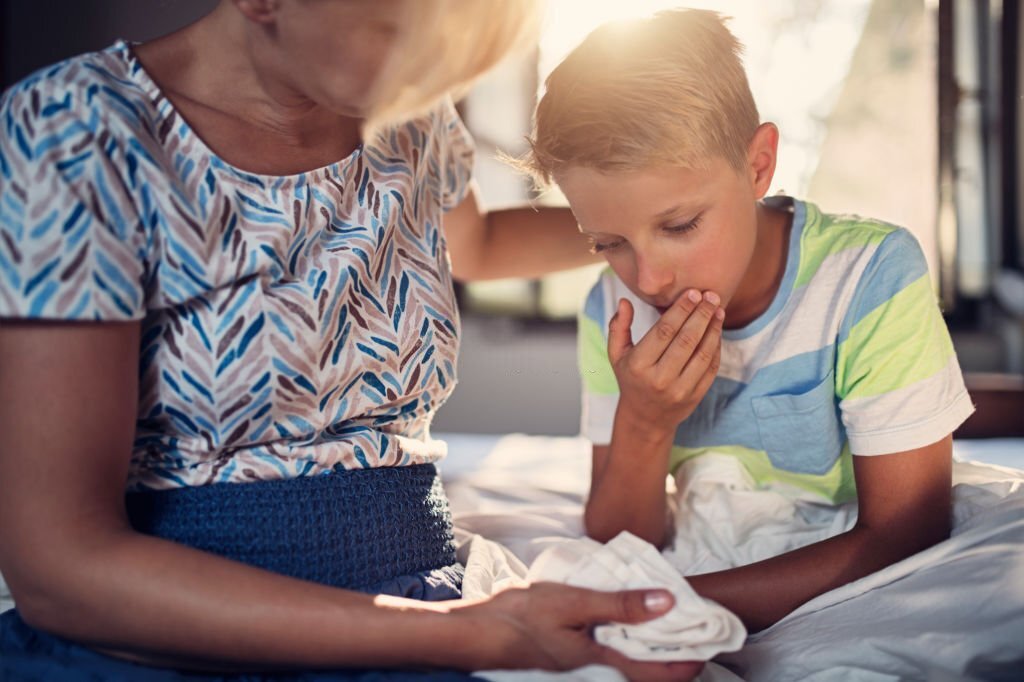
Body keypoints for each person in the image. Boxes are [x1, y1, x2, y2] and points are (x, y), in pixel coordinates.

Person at [0, 1, 706, 679]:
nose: (441, 75)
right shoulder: (76, 130)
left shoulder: (408, 112)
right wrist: (464, 634)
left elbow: (480, 242)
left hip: (426, 588)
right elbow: (60, 569)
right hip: (186, 625)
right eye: (403, 33)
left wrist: (672, 222)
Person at [519, 9, 975, 633]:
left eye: (679, 226)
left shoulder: (868, 275)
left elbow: (908, 531)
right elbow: (619, 536)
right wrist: (645, 421)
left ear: (758, 165)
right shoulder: (611, 309)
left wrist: (673, 604)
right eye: (606, 243)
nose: (647, 279)